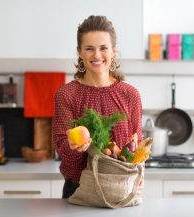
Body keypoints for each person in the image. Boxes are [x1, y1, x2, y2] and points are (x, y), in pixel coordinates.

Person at [52, 15, 144, 199]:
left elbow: (137, 144)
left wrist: (141, 173)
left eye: (103, 48)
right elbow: (62, 147)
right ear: (79, 52)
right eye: (89, 49)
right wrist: (74, 147)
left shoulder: (130, 94)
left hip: (121, 189)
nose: (96, 55)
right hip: (79, 189)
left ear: (113, 51)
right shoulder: (67, 94)